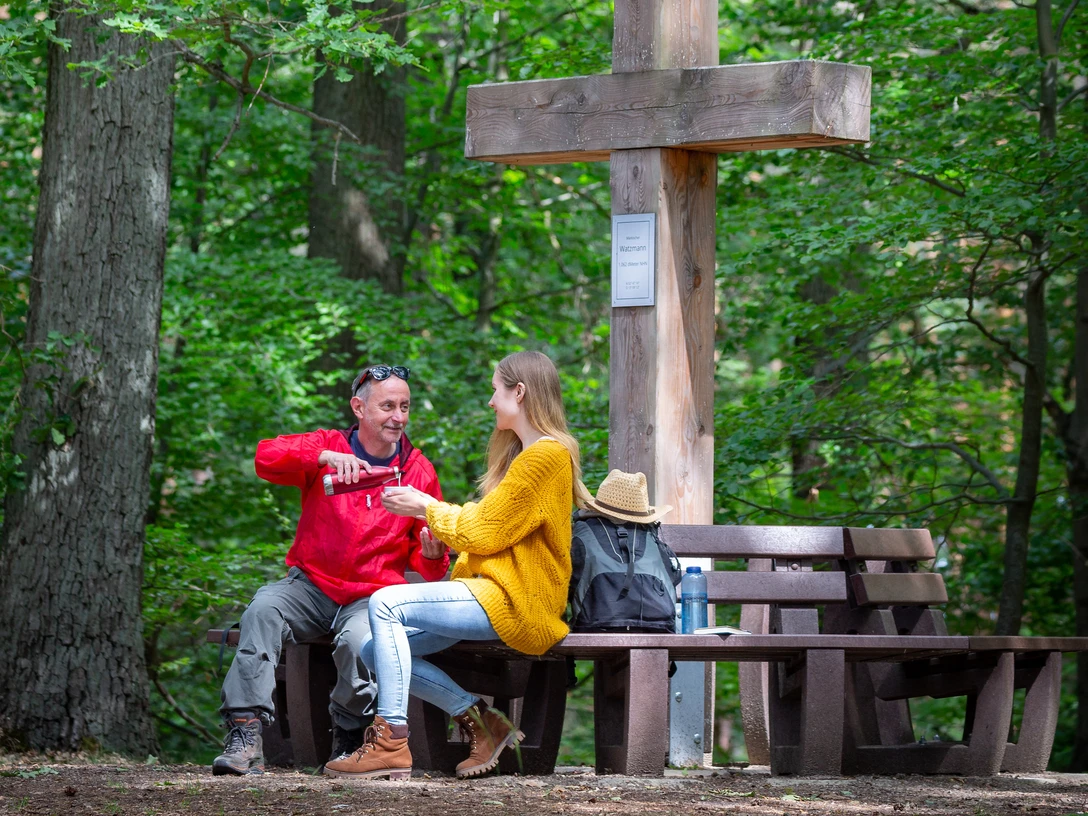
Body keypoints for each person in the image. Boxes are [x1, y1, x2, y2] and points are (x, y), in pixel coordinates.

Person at [323, 350, 593, 780]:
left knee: (385, 604)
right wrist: (439, 541)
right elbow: (495, 534)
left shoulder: (546, 455)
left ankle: (390, 741)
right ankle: (481, 720)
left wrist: (425, 507)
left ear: (519, 392)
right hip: (493, 593)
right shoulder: (525, 455)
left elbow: (484, 531)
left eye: (495, 390)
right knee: (375, 650)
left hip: (516, 601)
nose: (490, 401)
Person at [212, 364, 450, 776]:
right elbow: (265, 457)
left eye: (405, 407)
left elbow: (428, 570)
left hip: (370, 595)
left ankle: (350, 733)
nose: (398, 416)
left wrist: (431, 554)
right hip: (310, 585)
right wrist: (321, 455)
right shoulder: (328, 445)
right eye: (388, 406)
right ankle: (245, 736)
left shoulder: (418, 471)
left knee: (362, 643)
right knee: (262, 610)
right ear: (359, 407)